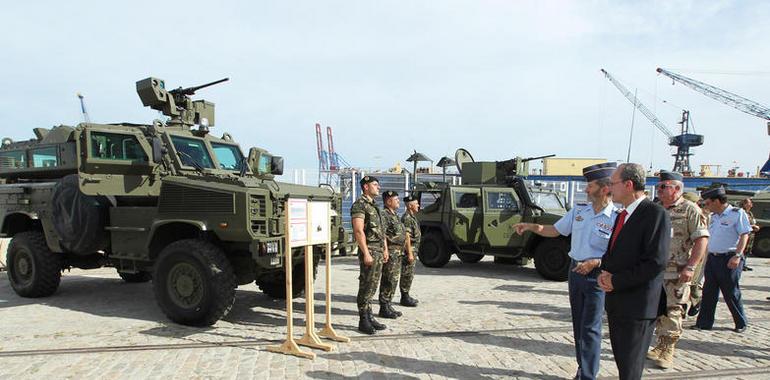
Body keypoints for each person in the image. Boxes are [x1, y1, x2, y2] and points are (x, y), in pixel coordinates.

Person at [514, 162, 617, 380]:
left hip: (598, 276)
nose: (586, 189)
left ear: (605, 188)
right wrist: (531, 227)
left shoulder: (617, 217)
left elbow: (618, 252)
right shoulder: (580, 211)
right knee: (579, 325)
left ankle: (588, 375)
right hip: (575, 272)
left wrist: (596, 262)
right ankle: (583, 368)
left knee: (591, 327)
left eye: (590, 185)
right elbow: (556, 230)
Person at [598, 163, 671, 380]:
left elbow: (656, 262)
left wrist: (616, 280)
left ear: (629, 185)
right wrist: (604, 270)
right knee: (624, 364)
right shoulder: (623, 215)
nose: (610, 188)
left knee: (630, 368)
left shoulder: (654, 213)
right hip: (619, 301)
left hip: (638, 304)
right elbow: (617, 252)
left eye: (613, 183)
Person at [646, 171, 709, 369]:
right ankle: (660, 345)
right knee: (658, 310)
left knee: (674, 310)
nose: (660, 190)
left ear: (677, 188)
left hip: (678, 272)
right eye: (659, 186)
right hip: (656, 271)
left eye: (664, 186)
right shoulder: (656, 208)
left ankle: (669, 350)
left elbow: (702, 239)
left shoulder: (690, 210)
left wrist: (691, 266)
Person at [693, 187, 751, 333]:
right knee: (709, 291)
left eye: (708, 203)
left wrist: (738, 255)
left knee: (731, 292)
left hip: (729, 257)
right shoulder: (713, 216)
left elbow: (744, 235)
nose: (706, 206)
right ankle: (704, 323)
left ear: (717, 201)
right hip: (713, 257)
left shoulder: (737, 214)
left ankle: (741, 322)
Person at [350, 175, 389, 334]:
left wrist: (385, 249)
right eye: (375, 184)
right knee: (366, 284)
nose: (378, 187)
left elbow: (381, 231)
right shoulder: (360, 205)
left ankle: (370, 315)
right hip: (370, 250)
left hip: (379, 250)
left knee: (373, 284)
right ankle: (363, 319)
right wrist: (366, 253)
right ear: (366, 187)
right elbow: (359, 231)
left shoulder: (374, 206)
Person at [378, 190, 408, 319]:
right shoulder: (384, 214)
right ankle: (384, 307)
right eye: (396, 200)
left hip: (398, 252)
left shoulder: (395, 215)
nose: (398, 202)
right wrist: (385, 250)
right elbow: (383, 234)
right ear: (389, 201)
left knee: (393, 279)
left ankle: (388, 304)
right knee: (388, 279)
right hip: (391, 251)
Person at [682, 192, 710, 318]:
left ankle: (696, 301)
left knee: (693, 283)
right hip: (680, 255)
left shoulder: (700, 215)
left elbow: (702, 239)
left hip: (695, 254)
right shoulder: (680, 214)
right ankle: (681, 307)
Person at [399, 195, 420, 307]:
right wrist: (410, 253)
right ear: (410, 206)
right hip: (409, 250)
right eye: (416, 204)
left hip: (413, 249)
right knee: (406, 273)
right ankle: (404, 296)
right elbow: (407, 236)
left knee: (409, 273)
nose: (418, 206)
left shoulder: (412, 217)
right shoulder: (407, 218)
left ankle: (406, 294)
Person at [738, 197, 759, 271]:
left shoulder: (750, 213)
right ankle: (740, 265)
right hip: (744, 235)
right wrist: (752, 226)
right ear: (744, 204)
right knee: (743, 250)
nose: (751, 205)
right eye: (749, 203)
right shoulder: (742, 212)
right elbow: (741, 224)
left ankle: (744, 264)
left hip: (751, 235)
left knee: (747, 250)